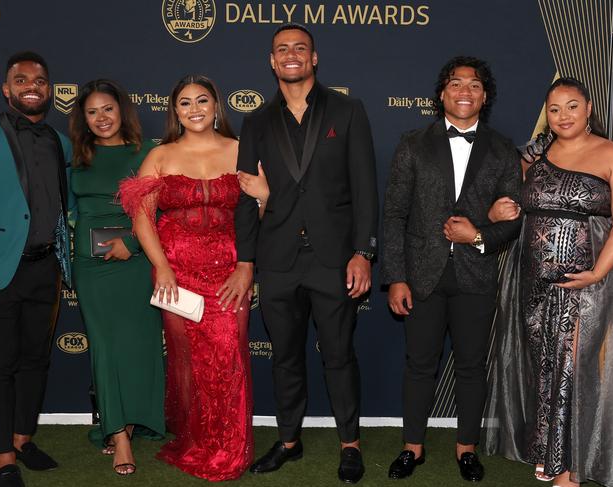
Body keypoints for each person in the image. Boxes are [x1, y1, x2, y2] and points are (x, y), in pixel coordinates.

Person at [233, 23, 378, 484]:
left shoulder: (348, 110)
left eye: (300, 48)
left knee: (338, 355)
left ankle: (350, 444)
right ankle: (289, 441)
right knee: (285, 357)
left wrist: (363, 252)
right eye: (282, 50)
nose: (291, 55)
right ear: (272, 62)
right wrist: (245, 260)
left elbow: (365, 189)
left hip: (334, 258)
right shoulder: (255, 121)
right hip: (277, 260)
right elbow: (244, 196)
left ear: (314, 58)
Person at [381, 56, 522, 482]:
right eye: (456, 83)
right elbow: (394, 215)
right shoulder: (413, 143)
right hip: (421, 276)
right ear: (442, 93)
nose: (465, 91)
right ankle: (413, 447)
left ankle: (466, 449)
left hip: (475, 276)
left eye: (475, 85)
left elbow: (512, 220)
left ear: (485, 95)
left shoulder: (502, 149)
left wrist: (477, 235)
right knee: (419, 364)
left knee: (471, 366)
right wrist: (396, 277)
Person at [483, 77, 613, 487]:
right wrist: (495, 212)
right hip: (533, 281)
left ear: (589, 108)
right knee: (544, 367)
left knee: (574, 369)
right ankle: (551, 456)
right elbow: (507, 202)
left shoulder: (610, 153)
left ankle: (571, 470)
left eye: (572, 106)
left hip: (586, 282)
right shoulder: (534, 155)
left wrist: (597, 273)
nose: (564, 116)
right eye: (555, 109)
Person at [119, 74, 253, 481]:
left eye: (202, 101)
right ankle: (196, 438)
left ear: (217, 106)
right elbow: (141, 216)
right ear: (175, 111)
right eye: (185, 103)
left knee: (229, 354)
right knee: (188, 361)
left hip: (230, 271)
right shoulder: (161, 155)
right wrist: (161, 265)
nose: (194, 109)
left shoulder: (242, 150)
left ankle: (230, 447)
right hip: (177, 273)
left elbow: (259, 214)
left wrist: (248, 260)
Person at [0, 51, 72, 487]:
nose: (33, 85)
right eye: (22, 79)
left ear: (49, 90)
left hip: (44, 268)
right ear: (7, 88)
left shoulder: (60, 142)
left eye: (41, 80)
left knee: (36, 360)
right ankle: (3, 458)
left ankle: (23, 438)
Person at [69, 79, 165, 476]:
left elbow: (161, 211)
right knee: (105, 347)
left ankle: (131, 419)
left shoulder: (148, 153)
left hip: (136, 257)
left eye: (107, 109)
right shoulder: (76, 154)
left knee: (137, 345)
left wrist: (133, 242)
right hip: (91, 266)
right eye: (92, 112)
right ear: (83, 118)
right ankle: (117, 433)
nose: (101, 118)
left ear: (122, 110)